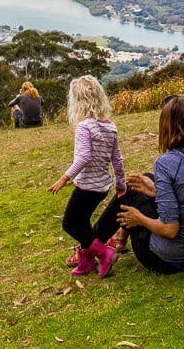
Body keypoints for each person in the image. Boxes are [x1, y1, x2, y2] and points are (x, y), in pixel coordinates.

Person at [93, 94, 184, 274]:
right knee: (144, 180)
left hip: (169, 259)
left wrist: (138, 218)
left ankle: (90, 245)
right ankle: (112, 239)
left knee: (131, 192)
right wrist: (157, 192)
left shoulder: (166, 163)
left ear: (166, 125)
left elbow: (170, 230)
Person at [48, 75, 126, 277]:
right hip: (102, 186)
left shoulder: (84, 127)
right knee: (82, 223)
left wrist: (64, 178)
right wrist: (120, 183)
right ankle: (85, 263)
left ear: (77, 102)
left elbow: (83, 157)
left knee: (70, 224)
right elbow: (117, 158)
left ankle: (104, 253)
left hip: (86, 187)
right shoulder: (110, 126)